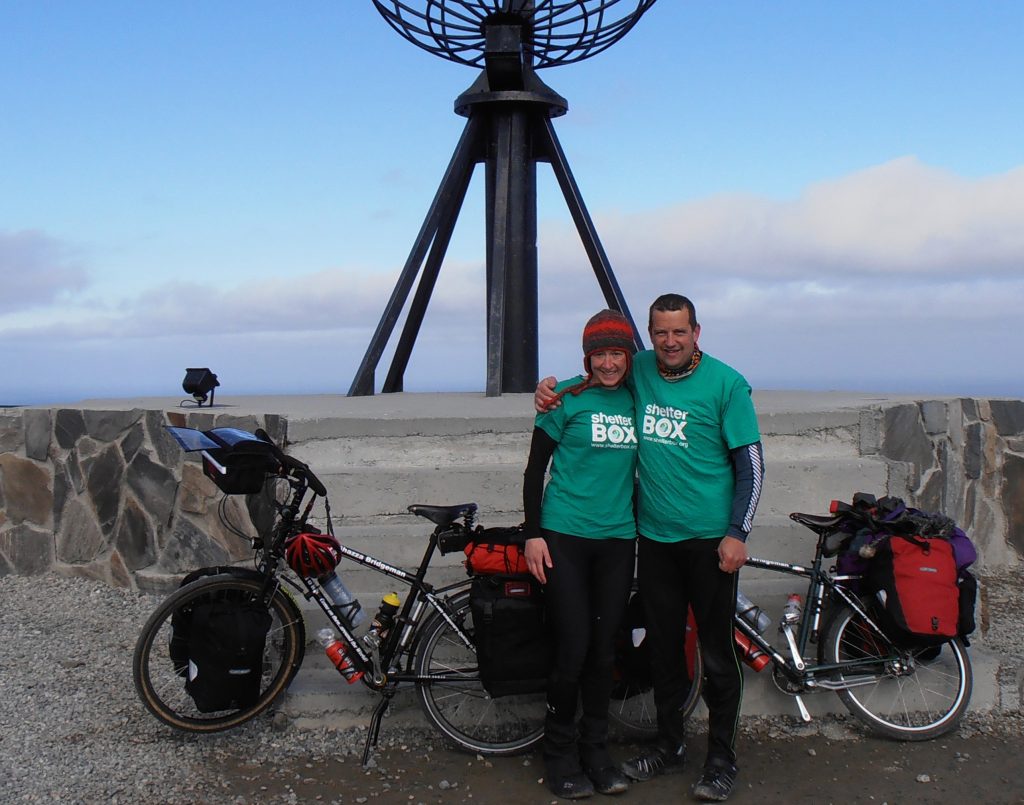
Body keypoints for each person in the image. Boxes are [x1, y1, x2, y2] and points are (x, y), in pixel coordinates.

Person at [536, 294, 764, 803]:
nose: (670, 341)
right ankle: (670, 745)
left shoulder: (727, 384)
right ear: (650, 336)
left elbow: (752, 464)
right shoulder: (638, 367)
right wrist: (549, 390)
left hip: (710, 543)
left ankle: (721, 759)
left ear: (696, 332)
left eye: (679, 332)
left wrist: (738, 533)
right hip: (654, 540)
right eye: (660, 333)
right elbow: (593, 377)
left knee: (718, 654)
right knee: (663, 651)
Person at [523, 309, 639, 800]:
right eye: (600, 354)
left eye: (617, 353)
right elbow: (534, 472)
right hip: (564, 537)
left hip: (618, 540)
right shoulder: (564, 397)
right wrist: (533, 534)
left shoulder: (640, 398)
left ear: (629, 356)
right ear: (587, 357)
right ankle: (559, 755)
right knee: (571, 648)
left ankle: (597, 751)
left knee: (603, 648)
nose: (609, 363)